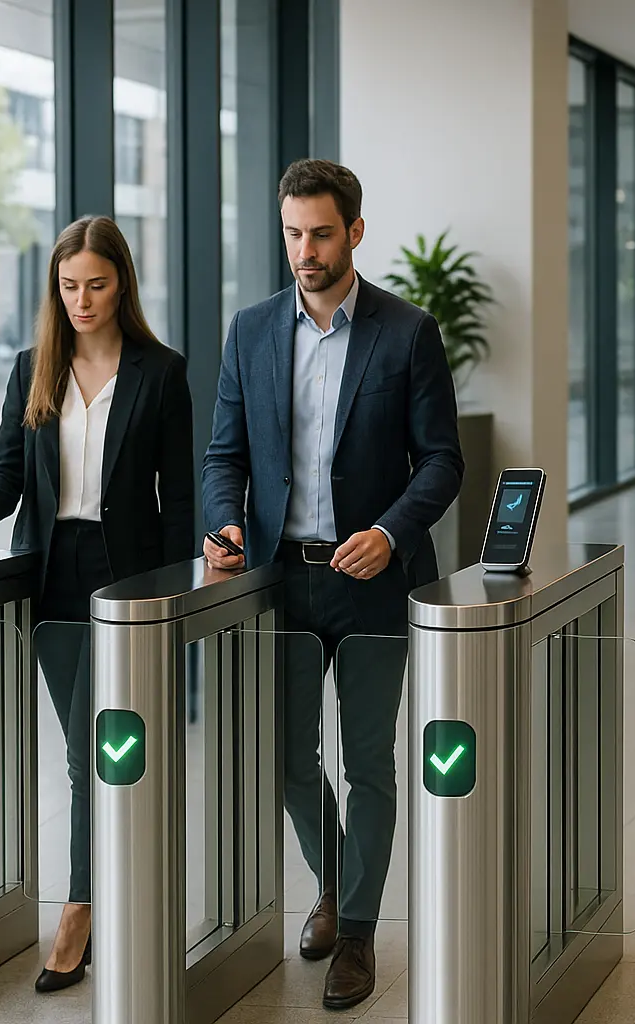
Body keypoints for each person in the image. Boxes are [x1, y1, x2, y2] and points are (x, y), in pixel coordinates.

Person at [201, 158, 463, 1010]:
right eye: (292, 234)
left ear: (354, 230)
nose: (305, 251)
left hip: (374, 583)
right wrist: (224, 522)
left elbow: (442, 461)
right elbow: (224, 456)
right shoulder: (250, 330)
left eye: (320, 233)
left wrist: (390, 534)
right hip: (282, 579)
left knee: (373, 765)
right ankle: (340, 880)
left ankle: (355, 931)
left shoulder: (407, 331)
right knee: (284, 758)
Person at [0, 215, 194, 994]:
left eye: (95, 284)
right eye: (68, 287)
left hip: (128, 577)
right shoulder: (36, 365)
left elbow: (181, 500)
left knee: (108, 749)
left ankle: (80, 907)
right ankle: (104, 893)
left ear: (121, 282)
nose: (82, 300)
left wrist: (182, 597)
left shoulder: (161, 372)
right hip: (53, 574)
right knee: (81, 752)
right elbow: (6, 474)